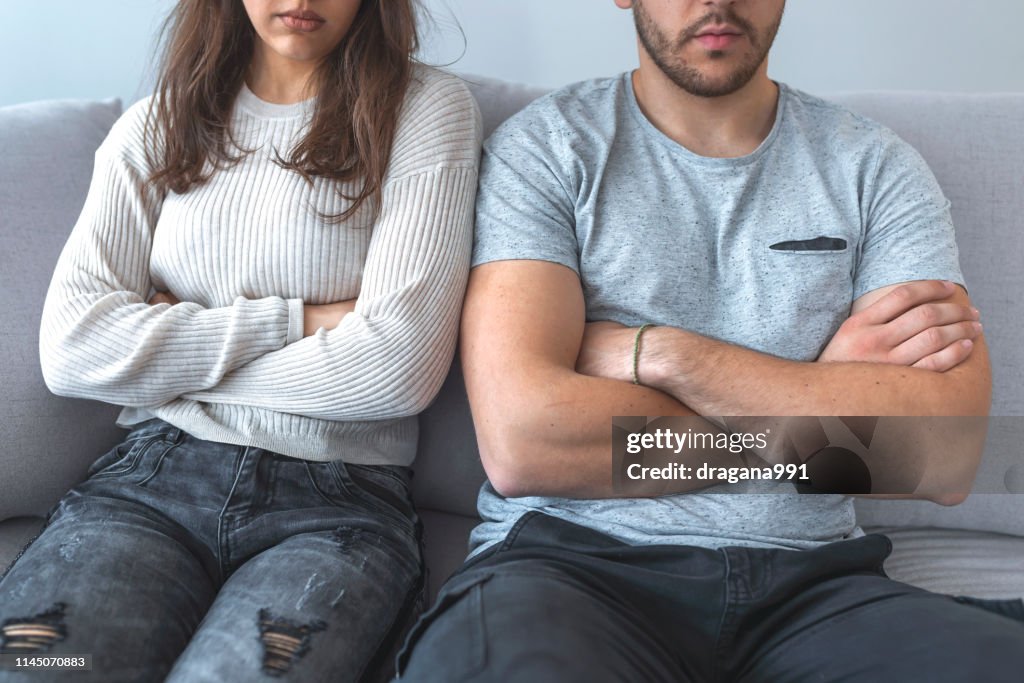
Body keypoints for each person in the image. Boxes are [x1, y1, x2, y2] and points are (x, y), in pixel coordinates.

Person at [396, 0, 1024, 681]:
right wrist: (816, 412)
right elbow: (527, 444)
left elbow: (947, 455)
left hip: (816, 589)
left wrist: (664, 353)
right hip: (570, 569)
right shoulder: (545, 150)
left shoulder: (875, 166)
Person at [0, 0, 480, 681]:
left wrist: (161, 354)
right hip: (150, 480)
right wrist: (299, 320)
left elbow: (395, 368)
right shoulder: (156, 125)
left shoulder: (426, 109)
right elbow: (73, 351)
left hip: (339, 503)